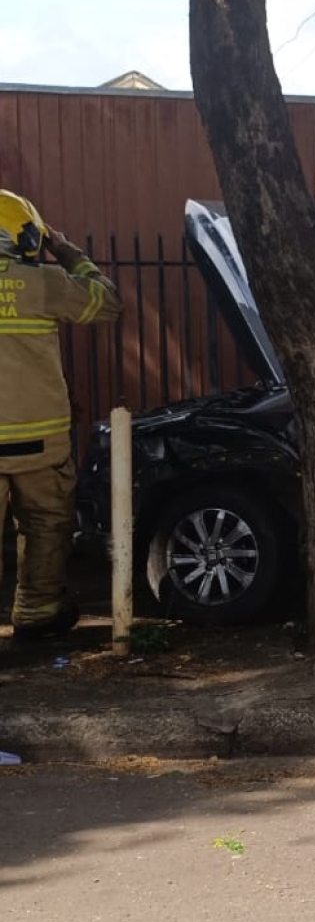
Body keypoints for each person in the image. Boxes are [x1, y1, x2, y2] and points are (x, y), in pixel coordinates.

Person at [0, 189, 123, 640]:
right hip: (41, 445)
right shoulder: (44, 282)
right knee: (46, 526)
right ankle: (37, 611)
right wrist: (69, 253)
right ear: (28, 236)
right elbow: (107, 302)